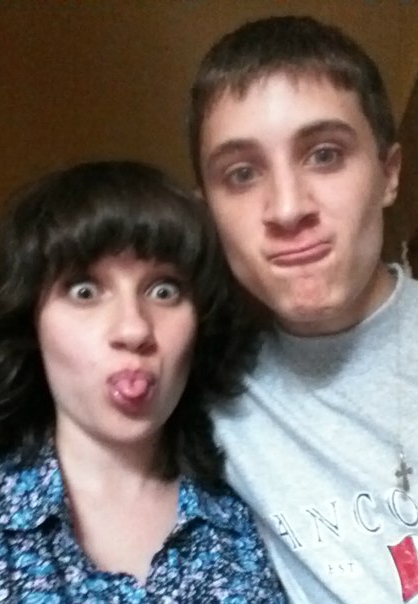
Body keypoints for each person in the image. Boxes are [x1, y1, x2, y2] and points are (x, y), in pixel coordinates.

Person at [0, 161, 287, 602]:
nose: (134, 329)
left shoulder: (260, 512)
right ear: (31, 325)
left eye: (164, 291)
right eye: (84, 291)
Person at [189, 15, 418, 604]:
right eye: (242, 174)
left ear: (389, 174)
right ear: (209, 212)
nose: (288, 209)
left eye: (324, 154)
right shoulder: (201, 390)